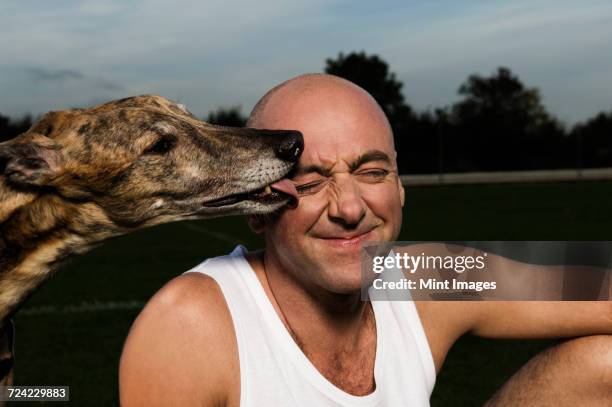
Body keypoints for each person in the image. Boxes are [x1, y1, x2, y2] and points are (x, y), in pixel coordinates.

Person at [119, 74, 612, 406]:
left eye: (372, 171)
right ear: (257, 211)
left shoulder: (421, 277)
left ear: (399, 187)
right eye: (309, 182)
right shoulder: (190, 324)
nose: (350, 208)